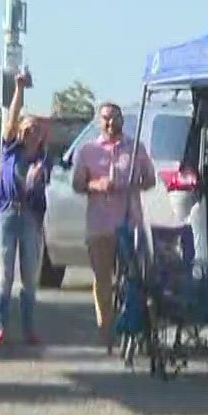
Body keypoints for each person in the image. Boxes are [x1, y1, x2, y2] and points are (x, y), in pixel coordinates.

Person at [72, 102, 156, 344]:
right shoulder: (88, 150)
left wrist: (132, 185)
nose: (110, 123)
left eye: (114, 118)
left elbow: (150, 180)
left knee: (134, 277)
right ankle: (106, 328)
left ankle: (134, 327)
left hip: (129, 223)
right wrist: (96, 185)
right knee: (102, 279)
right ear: (100, 122)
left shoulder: (135, 148)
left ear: (122, 121)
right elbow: (77, 184)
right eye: (106, 118)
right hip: (100, 225)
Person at [0, 69, 51, 348]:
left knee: (29, 277)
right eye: (27, 128)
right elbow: (11, 117)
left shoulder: (42, 160)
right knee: (5, 276)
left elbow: (42, 192)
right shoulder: (10, 150)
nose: (30, 131)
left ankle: (29, 329)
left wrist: (40, 176)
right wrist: (19, 89)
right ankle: (2, 327)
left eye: (35, 129)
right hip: (6, 214)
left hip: (30, 217)